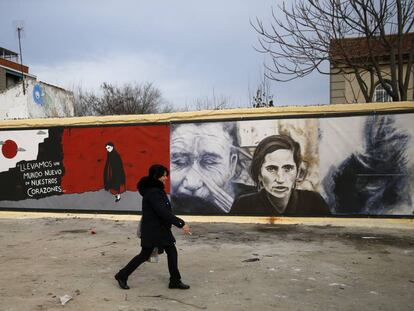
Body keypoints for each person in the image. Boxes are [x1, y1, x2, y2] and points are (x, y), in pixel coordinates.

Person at [114, 164, 191, 290]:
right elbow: (163, 212)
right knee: (145, 255)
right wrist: (181, 223)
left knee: (171, 251)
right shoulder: (154, 192)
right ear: (156, 176)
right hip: (153, 230)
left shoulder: (156, 190)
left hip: (160, 229)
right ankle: (122, 275)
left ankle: (175, 280)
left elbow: (164, 212)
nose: (166, 178)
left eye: (166, 176)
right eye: (163, 176)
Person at [230, 135, 330, 216]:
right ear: (259, 174)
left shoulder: (314, 202)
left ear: (298, 172)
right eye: (271, 169)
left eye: (288, 168)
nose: (280, 179)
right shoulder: (243, 205)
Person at [170, 122, 250, 214]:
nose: (192, 183)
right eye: (179, 162)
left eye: (209, 162)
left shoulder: (255, 202)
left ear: (232, 164)